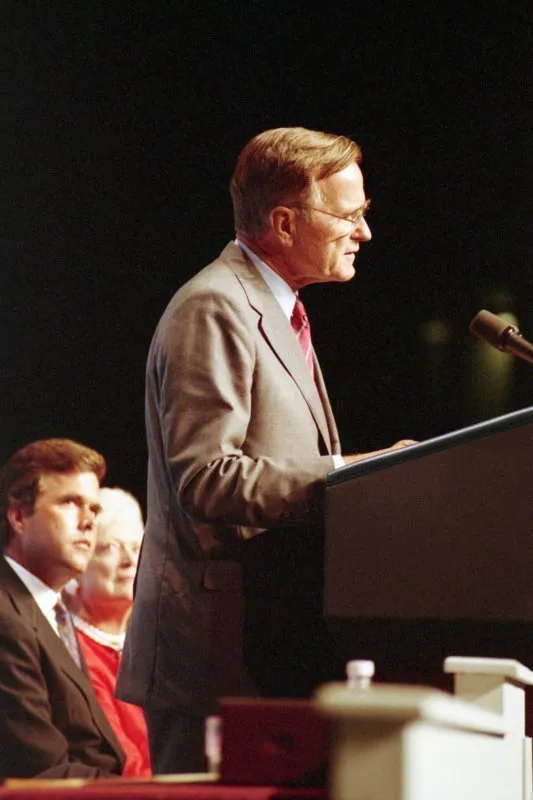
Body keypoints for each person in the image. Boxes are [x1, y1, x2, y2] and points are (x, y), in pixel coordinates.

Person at [117, 126, 414, 774]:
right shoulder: (214, 307)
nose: (362, 232)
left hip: (270, 647)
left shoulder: (279, 311)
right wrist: (349, 475)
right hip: (216, 660)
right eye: (350, 214)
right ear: (283, 222)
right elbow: (204, 478)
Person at [0, 438, 125, 779]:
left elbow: (85, 749)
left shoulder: (51, 611)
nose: (89, 522)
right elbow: (41, 773)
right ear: (18, 517)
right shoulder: (5, 619)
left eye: (95, 509)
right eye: (71, 503)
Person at [64, 487, 151, 777]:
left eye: (136, 547)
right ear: (78, 565)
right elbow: (120, 761)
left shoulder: (154, 644)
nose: (129, 561)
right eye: (110, 548)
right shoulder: (70, 653)